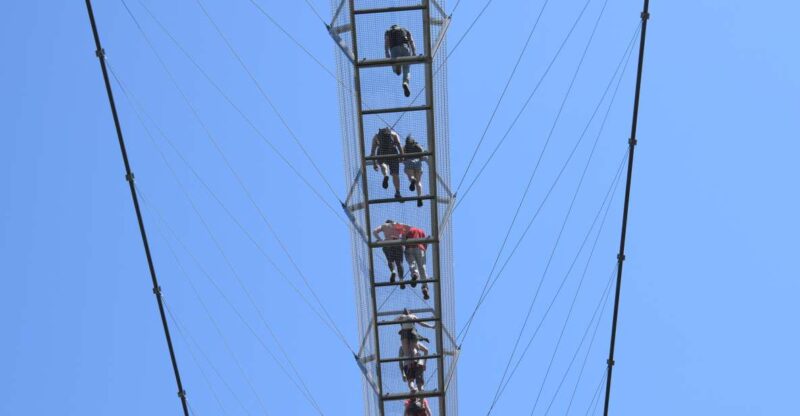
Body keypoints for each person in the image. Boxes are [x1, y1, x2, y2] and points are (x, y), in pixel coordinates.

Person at [370, 127, 404, 199]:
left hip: (382, 152)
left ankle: (385, 175)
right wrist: (402, 156)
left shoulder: (376, 136)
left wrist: (374, 164)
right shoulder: (394, 134)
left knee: (383, 164)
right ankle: (397, 192)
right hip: (393, 153)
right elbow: (399, 146)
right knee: (395, 174)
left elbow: (372, 152)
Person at [385, 24, 417, 97]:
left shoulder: (388, 32)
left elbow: (386, 44)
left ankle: (397, 67)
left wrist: (387, 55)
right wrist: (414, 53)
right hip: (405, 48)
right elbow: (411, 41)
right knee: (406, 68)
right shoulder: (404, 30)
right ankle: (405, 82)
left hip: (394, 49)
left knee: (395, 68)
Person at [373, 220, 406, 287]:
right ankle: (401, 279)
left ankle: (393, 271)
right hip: (397, 243)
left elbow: (374, 232)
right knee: (399, 263)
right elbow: (404, 230)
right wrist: (402, 240)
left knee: (390, 260)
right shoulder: (397, 224)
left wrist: (380, 240)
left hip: (387, 244)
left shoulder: (384, 225)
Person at [403, 226, 430, 300]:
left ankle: (415, 274)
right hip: (420, 248)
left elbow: (403, 240)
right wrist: (424, 250)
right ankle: (425, 287)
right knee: (422, 268)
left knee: (412, 263)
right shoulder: (421, 231)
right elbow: (425, 243)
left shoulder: (407, 230)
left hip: (410, 248)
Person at [403, 135, 426, 207]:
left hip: (409, 161)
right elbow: (422, 156)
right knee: (418, 182)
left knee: (410, 173)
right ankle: (420, 196)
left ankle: (412, 178)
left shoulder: (405, 147)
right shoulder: (417, 146)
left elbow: (402, 156)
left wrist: (404, 161)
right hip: (418, 163)